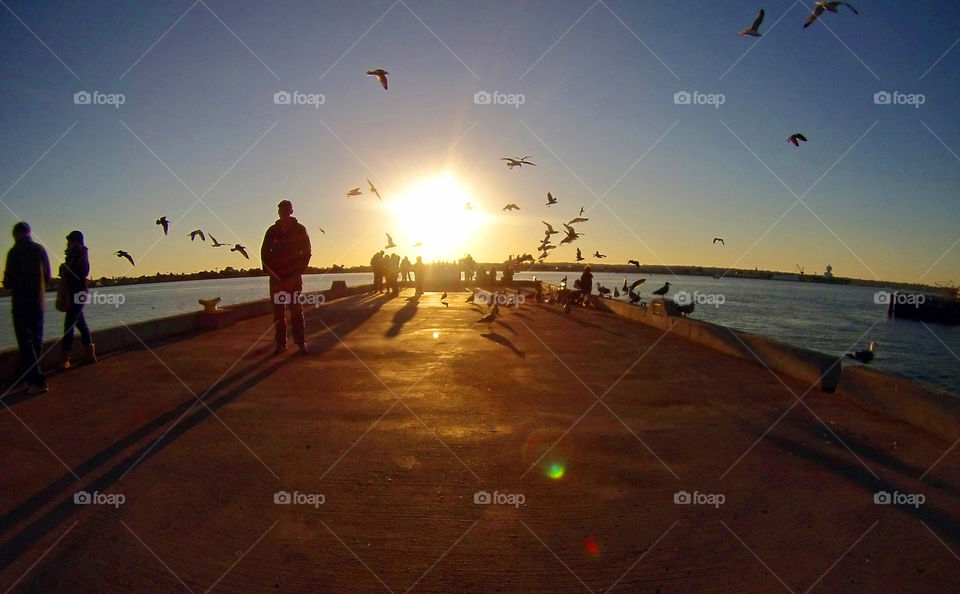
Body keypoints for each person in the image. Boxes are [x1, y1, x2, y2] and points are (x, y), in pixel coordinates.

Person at [3, 222, 51, 394]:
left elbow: (8, 281)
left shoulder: (14, 252)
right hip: (39, 301)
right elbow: (47, 276)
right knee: (36, 340)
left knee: (26, 341)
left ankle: (37, 381)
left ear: (16, 234)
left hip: (21, 302)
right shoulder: (40, 250)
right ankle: (31, 378)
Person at [261, 200, 311, 354]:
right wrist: (270, 271)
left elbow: (307, 252)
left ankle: (301, 343)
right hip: (276, 279)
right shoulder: (272, 231)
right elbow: (264, 253)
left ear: (291, 211)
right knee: (278, 314)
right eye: (280, 210)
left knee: (296, 311)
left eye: (285, 209)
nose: (282, 212)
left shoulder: (300, 229)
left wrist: (298, 271)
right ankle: (281, 344)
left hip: (293, 278)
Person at [60, 230, 95, 369]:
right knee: (80, 324)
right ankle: (90, 355)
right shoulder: (76, 254)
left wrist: (65, 268)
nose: (69, 243)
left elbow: (80, 273)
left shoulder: (79, 254)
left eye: (70, 241)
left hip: (77, 293)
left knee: (69, 325)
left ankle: (65, 359)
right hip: (76, 293)